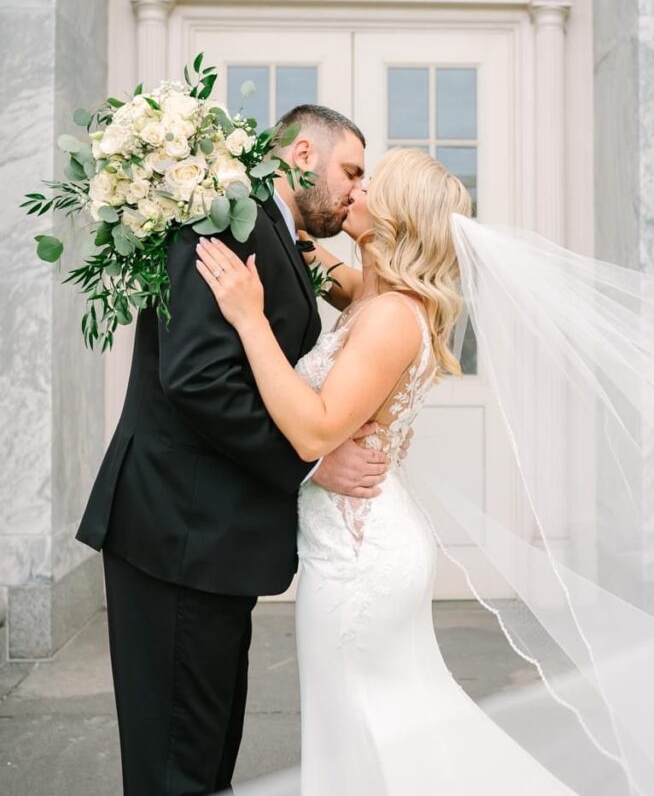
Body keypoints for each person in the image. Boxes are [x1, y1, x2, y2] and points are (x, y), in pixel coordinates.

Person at [195, 147, 580, 796]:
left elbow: (316, 428)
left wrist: (249, 318)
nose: (358, 190)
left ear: (394, 216)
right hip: (355, 540)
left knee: (366, 731)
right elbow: (313, 263)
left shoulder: (391, 318)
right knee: (389, 729)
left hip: (359, 556)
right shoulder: (376, 293)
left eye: (371, 185)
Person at [76, 105, 390, 796]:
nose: (355, 192)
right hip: (177, 534)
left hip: (210, 539)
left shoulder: (275, 232)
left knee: (205, 751)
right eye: (351, 172)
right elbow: (196, 378)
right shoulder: (219, 219)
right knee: (177, 763)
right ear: (301, 152)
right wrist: (310, 462)